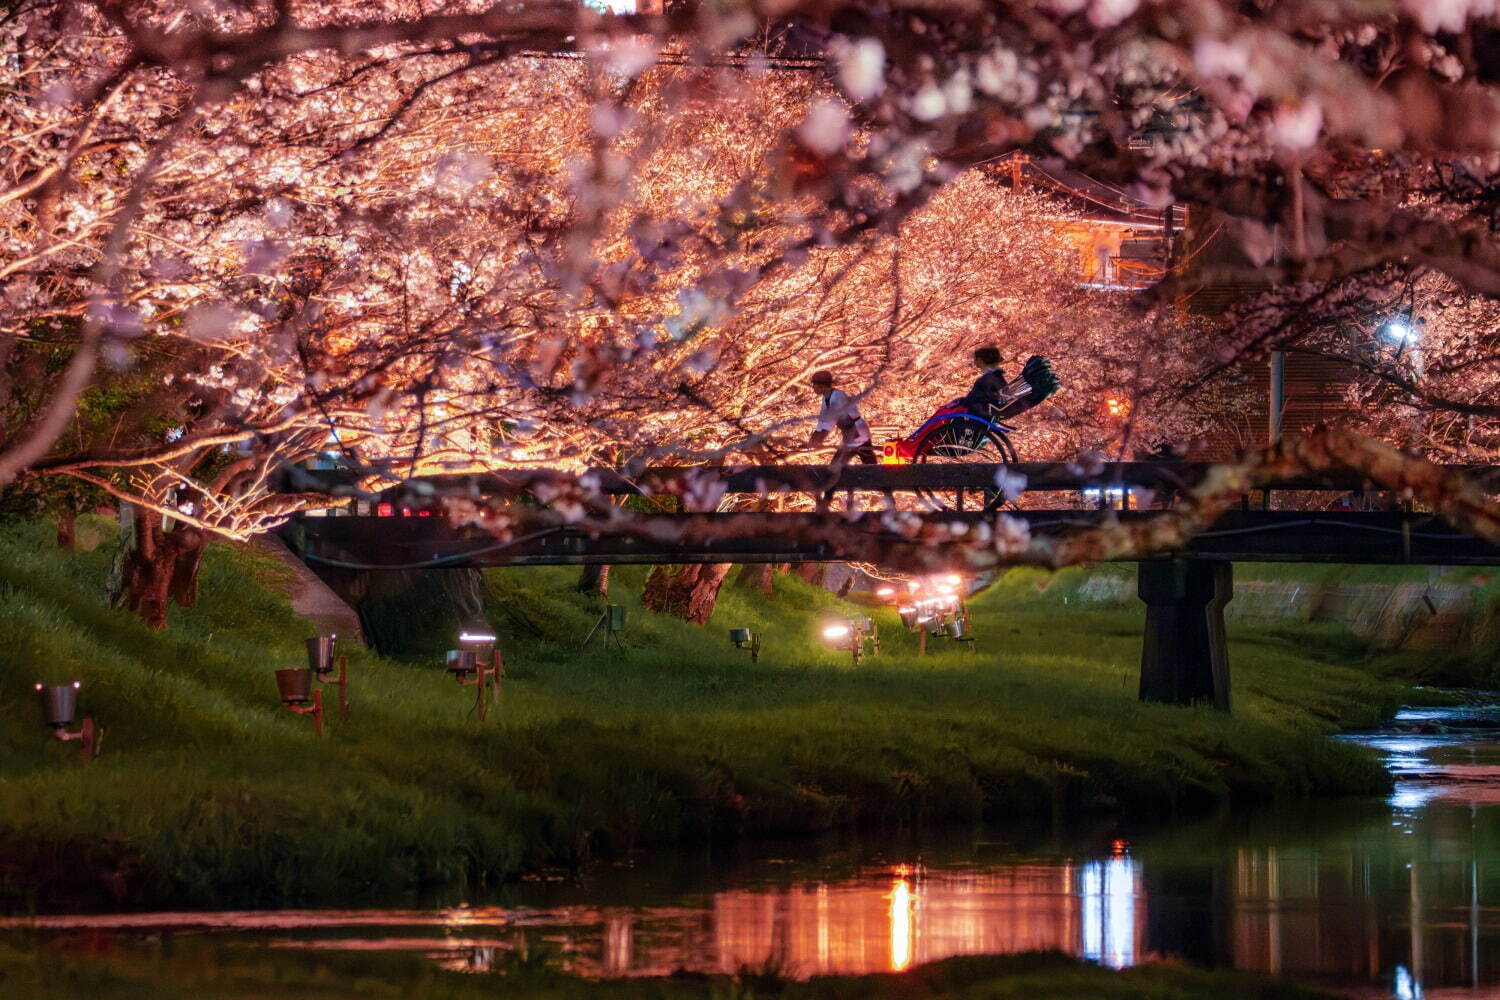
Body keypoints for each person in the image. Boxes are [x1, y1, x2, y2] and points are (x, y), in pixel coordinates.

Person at [807, 370, 875, 465]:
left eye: (814, 385)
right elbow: (822, 421)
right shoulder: (826, 398)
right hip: (849, 434)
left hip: (857, 432)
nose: (813, 387)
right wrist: (812, 441)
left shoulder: (837, 397)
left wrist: (818, 440)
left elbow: (829, 423)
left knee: (838, 465)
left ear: (821, 386)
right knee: (868, 463)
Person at [963, 345, 1009, 415]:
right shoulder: (998, 377)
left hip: (980, 412)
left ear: (980, 360)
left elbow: (972, 399)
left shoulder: (985, 380)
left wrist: (960, 402)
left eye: (975, 359)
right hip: (988, 408)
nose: (974, 362)